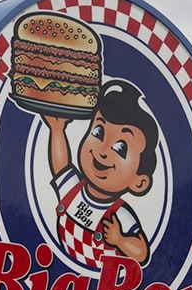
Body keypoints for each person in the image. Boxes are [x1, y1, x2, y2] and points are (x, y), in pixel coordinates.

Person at [39, 79, 159, 267]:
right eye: (98, 131)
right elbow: (61, 167)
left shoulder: (120, 215)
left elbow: (142, 252)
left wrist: (120, 240)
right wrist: (57, 130)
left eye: (120, 147)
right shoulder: (74, 190)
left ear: (140, 182)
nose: (103, 150)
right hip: (62, 275)